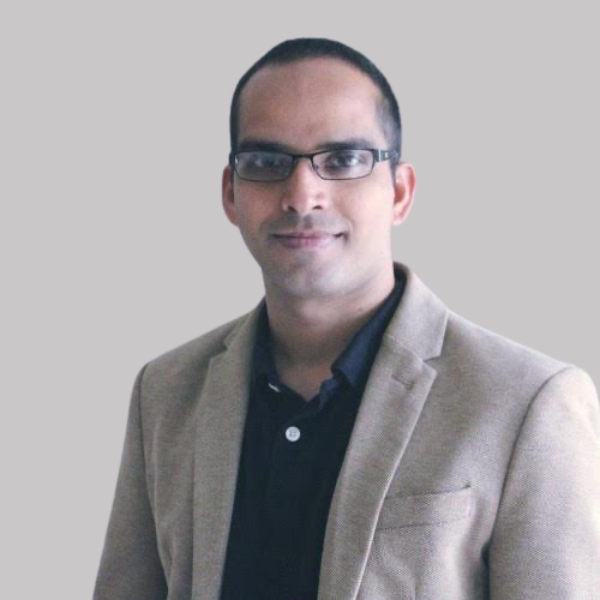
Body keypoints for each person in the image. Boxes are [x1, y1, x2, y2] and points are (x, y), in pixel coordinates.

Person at [94, 38, 600, 599]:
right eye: (266, 163)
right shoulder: (166, 392)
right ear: (231, 193)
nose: (302, 195)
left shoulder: (528, 402)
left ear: (400, 191)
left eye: (342, 160)